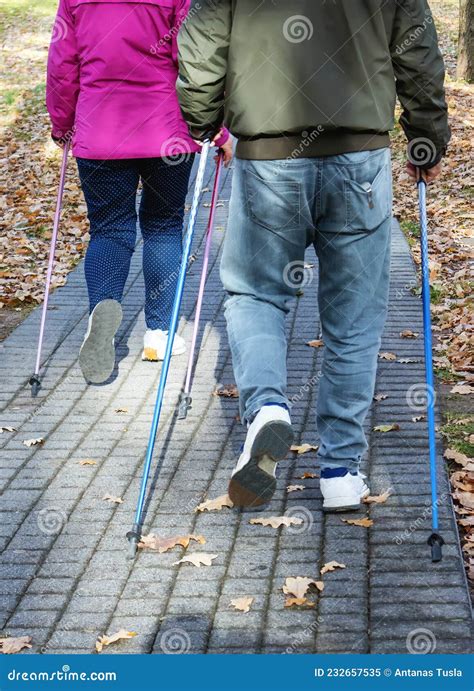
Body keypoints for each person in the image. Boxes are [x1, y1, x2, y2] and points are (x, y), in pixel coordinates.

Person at [177, 1, 450, 509]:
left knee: (256, 292)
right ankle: (341, 472)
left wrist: (204, 121)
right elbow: (417, 50)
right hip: (359, 154)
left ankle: (267, 410)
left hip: (269, 153)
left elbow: (202, 46)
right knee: (355, 315)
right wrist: (426, 137)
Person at [46, 0, 232, 384]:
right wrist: (216, 126)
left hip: (100, 131)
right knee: (163, 226)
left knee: (110, 229)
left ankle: (101, 316)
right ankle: (160, 335)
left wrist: (62, 122)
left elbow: (62, 65)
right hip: (167, 131)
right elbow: (196, 60)